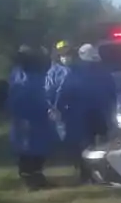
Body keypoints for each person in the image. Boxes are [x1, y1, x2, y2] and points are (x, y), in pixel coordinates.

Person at [7, 45, 55, 190]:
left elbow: (43, 91)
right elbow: (15, 97)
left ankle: (36, 176)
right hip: (25, 115)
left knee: (37, 148)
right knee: (26, 149)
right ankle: (30, 179)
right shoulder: (19, 75)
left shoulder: (33, 73)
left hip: (36, 115)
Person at [45, 43, 93, 183]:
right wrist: (52, 108)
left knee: (85, 142)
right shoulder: (53, 72)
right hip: (63, 113)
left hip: (80, 111)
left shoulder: (81, 70)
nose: (66, 58)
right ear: (58, 56)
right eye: (63, 55)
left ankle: (87, 172)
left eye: (68, 55)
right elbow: (49, 91)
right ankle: (78, 168)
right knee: (70, 143)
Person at [76, 43, 117, 149]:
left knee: (87, 143)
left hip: (85, 114)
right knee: (103, 143)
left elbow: (69, 91)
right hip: (102, 113)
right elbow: (113, 94)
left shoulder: (78, 72)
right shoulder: (105, 72)